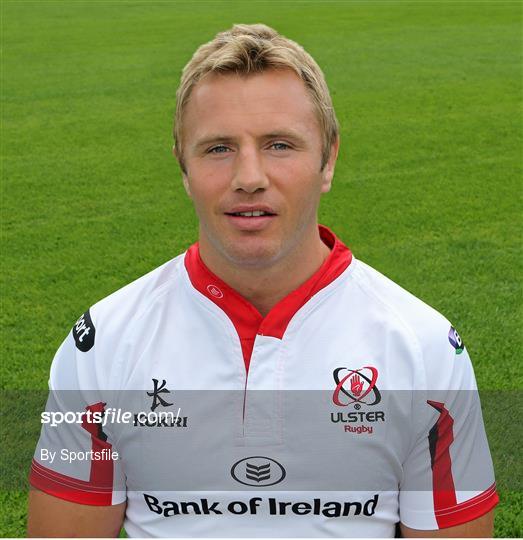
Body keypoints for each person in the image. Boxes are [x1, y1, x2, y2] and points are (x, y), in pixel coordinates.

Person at [27, 24, 498, 537]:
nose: (249, 176)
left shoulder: (424, 348)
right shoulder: (102, 344)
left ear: (328, 159)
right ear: (182, 165)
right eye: (218, 148)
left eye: (279, 144)